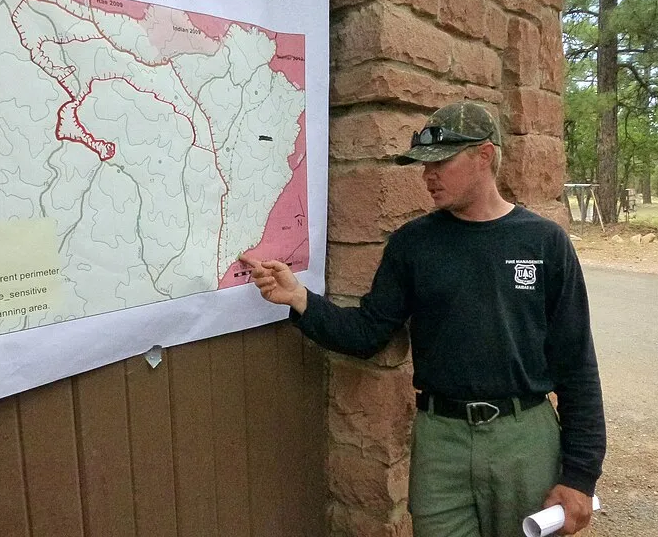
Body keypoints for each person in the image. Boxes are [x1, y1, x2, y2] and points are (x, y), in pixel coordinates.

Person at [240, 101, 606, 537]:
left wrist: (581, 475)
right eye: (422, 165)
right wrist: (299, 298)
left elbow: (576, 362)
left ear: (484, 155)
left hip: (524, 439)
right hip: (440, 442)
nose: (427, 175)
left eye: (441, 162)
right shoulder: (413, 244)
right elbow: (367, 333)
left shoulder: (544, 242)